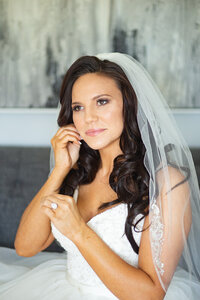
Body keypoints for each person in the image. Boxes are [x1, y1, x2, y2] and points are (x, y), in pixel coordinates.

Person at [0, 53, 200, 300]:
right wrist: (60, 170)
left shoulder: (167, 183)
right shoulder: (77, 172)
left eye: (102, 102)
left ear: (130, 104)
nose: (88, 118)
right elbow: (25, 247)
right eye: (78, 107)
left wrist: (78, 231)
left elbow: (150, 295)